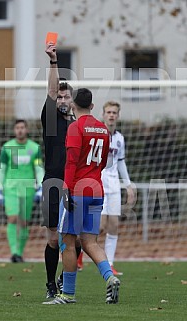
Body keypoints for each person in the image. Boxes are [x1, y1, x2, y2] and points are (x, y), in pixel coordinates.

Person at [44, 88, 120, 305]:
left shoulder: (76, 127)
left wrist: (66, 188)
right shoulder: (104, 130)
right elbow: (104, 162)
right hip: (96, 189)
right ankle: (110, 276)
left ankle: (67, 294)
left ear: (74, 106)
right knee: (89, 241)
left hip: (77, 190)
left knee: (66, 242)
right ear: (93, 106)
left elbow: (71, 161)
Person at [41, 41, 81, 299]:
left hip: (76, 186)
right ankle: (50, 285)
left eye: (67, 96)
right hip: (53, 183)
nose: (62, 99)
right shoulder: (51, 119)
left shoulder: (79, 125)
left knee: (76, 241)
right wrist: (53, 61)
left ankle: (64, 279)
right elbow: (52, 89)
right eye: (59, 96)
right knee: (54, 238)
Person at [0, 119, 44, 262]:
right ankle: (14, 252)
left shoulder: (34, 148)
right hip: (10, 189)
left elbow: (38, 168)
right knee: (13, 218)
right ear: (14, 130)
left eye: (22, 127)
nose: (20, 130)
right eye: (17, 128)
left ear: (27, 130)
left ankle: (20, 253)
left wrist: (41, 187)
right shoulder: (7, 147)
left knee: (23, 222)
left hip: (27, 190)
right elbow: (1, 170)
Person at [101, 101, 135, 275]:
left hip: (114, 185)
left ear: (118, 115)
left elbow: (121, 163)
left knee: (113, 225)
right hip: (97, 183)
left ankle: (109, 264)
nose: (111, 115)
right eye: (108, 112)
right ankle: (78, 256)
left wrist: (128, 185)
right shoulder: (98, 134)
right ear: (103, 115)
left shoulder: (120, 139)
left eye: (114, 112)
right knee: (98, 226)